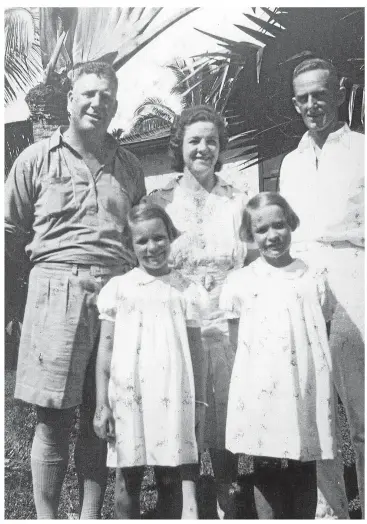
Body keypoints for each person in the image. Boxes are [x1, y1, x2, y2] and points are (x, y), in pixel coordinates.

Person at [5, 61, 146, 519]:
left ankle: (89, 516)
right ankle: (47, 518)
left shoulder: (129, 166)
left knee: (101, 413)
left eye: (105, 96)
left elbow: (141, 236)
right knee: (53, 415)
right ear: (70, 100)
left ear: (115, 104)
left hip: (116, 294)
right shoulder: (35, 159)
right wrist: (9, 302)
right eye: (87, 94)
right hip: (55, 289)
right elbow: (8, 234)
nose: (96, 103)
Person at [148, 105, 254, 518]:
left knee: (224, 405)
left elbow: (253, 257)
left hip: (227, 318)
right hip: (175, 318)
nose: (203, 148)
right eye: (194, 140)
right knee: (179, 403)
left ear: (220, 146)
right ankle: (179, 496)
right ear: (180, 145)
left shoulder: (237, 199)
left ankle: (227, 490)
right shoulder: (161, 199)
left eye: (211, 140)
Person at [279, 57, 364, 518]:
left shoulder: (362, 150)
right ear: (295, 104)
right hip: (306, 290)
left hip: (355, 282)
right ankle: (329, 509)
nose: (313, 104)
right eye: (304, 97)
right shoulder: (290, 164)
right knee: (317, 413)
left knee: (361, 411)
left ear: (339, 93)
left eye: (321, 93)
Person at [220, 192, 337, 518]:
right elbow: (235, 340)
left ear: (291, 225)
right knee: (265, 468)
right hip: (262, 390)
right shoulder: (241, 281)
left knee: (303, 466)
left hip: (302, 388)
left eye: (279, 225)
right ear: (249, 235)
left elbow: (319, 325)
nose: (272, 235)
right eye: (262, 229)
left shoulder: (312, 277)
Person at [93, 203, 208, 519]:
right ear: (130, 246)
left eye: (159, 238)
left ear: (170, 237)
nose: (152, 247)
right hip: (129, 397)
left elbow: (197, 352)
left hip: (173, 394)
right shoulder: (119, 288)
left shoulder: (186, 290)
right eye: (141, 241)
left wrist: (199, 403)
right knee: (127, 478)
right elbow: (106, 347)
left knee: (170, 475)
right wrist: (102, 404)